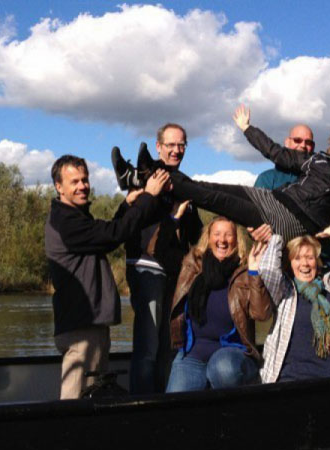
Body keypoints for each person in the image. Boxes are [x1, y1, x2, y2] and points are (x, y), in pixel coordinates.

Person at [135, 105, 330, 272]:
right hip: (271, 200)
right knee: (210, 188)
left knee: (213, 199)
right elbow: (276, 153)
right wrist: (246, 129)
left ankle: (152, 176)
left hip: (290, 223)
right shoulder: (318, 161)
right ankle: (152, 173)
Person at [45, 154, 168, 399]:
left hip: (91, 326)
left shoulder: (75, 216)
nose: (83, 186)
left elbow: (105, 238)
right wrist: (147, 197)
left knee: (93, 398)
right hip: (80, 328)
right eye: (75, 182)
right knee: (75, 402)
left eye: (85, 180)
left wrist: (126, 205)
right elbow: (115, 233)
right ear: (59, 187)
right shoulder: (66, 221)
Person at [112, 124, 203, 394]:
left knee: (168, 343)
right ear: (158, 146)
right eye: (171, 145)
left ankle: (163, 400)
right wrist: (139, 195)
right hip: (146, 268)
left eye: (181, 145)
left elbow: (195, 231)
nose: (177, 150)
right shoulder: (148, 188)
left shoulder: (183, 183)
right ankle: (142, 404)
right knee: (148, 345)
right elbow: (123, 224)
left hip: (174, 270)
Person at [257, 224, 330, 383]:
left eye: (310, 257)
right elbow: (267, 269)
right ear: (290, 263)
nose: (304, 264)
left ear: (317, 261)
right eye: (297, 258)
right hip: (289, 382)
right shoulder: (285, 290)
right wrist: (278, 236)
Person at [166, 216, 271, 392]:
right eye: (217, 234)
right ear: (208, 238)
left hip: (232, 352)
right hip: (194, 352)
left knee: (222, 369)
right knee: (173, 401)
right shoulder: (193, 265)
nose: (222, 240)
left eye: (228, 235)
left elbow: (261, 314)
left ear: (237, 240)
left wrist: (254, 272)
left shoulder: (245, 271)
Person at [254, 124, 315, 189]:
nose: (303, 145)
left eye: (308, 142)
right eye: (297, 140)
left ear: (313, 146)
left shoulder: (319, 178)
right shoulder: (267, 179)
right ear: (287, 142)